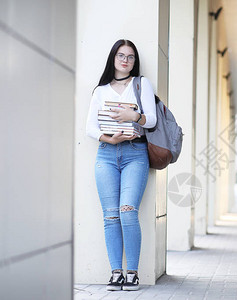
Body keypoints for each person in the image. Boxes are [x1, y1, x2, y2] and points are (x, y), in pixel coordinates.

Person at [86, 39, 157, 291]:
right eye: (121, 55)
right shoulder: (101, 90)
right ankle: (116, 273)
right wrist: (109, 138)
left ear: (134, 61)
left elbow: (152, 120)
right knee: (111, 215)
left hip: (135, 153)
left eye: (130, 57)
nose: (125, 60)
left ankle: (133, 273)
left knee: (128, 211)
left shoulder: (141, 84)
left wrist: (133, 116)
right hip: (106, 154)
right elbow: (90, 127)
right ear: (113, 58)